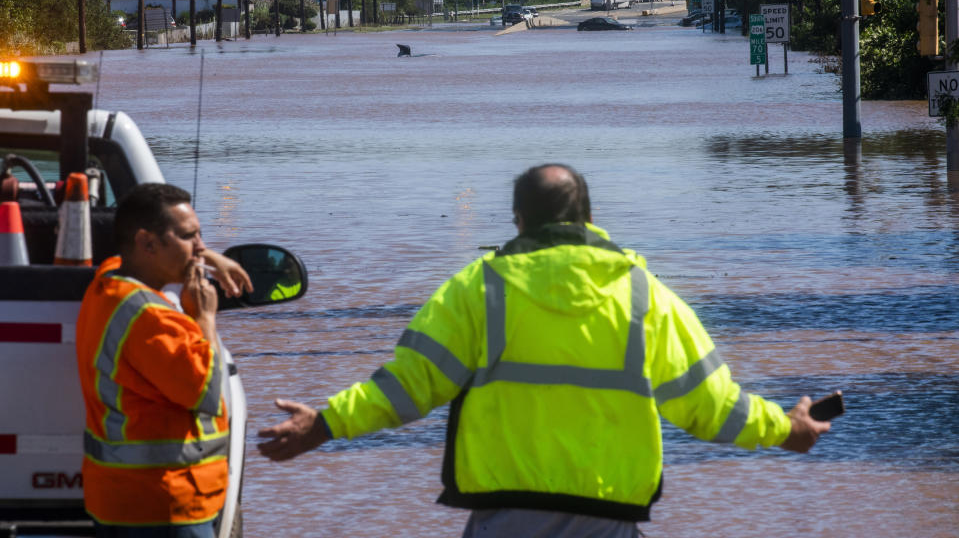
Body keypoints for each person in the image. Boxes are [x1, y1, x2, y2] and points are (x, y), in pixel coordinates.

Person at [257, 164, 831, 537]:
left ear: (518, 220)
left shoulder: (476, 290)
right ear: (590, 220)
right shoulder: (644, 297)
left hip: (503, 520)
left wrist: (325, 423)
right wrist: (784, 428)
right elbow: (711, 407)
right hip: (607, 521)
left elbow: (407, 387)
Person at [75, 183, 252, 537]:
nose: (200, 246)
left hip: (124, 501)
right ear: (147, 243)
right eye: (190, 236)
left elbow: (118, 257)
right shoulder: (150, 318)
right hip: (165, 507)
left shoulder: (107, 284)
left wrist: (206, 256)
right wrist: (205, 317)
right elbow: (205, 391)